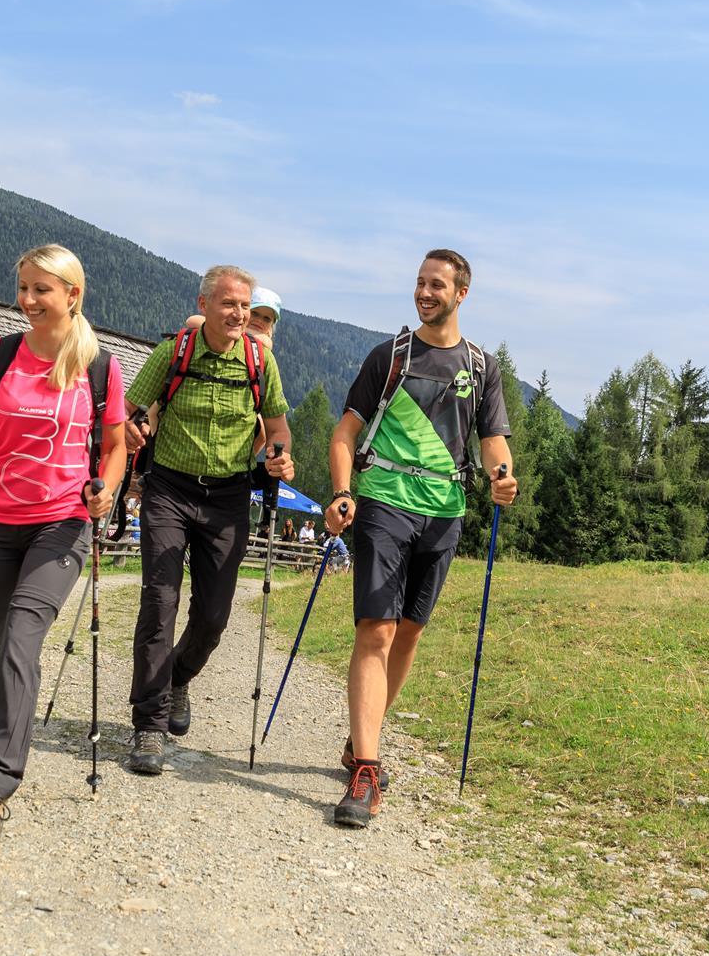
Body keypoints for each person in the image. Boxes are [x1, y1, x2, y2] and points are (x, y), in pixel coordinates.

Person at [0, 245, 125, 851]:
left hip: (61, 523)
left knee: (21, 640)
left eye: (41, 289)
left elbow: (115, 448)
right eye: (23, 287)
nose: (27, 300)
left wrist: (106, 489)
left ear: (72, 294)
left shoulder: (99, 367)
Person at [323, 249, 516, 828]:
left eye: (437, 285)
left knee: (408, 632)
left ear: (461, 294)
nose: (424, 293)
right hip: (385, 501)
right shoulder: (391, 356)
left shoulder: (481, 367)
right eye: (419, 283)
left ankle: (362, 739)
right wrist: (342, 491)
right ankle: (367, 770)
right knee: (376, 629)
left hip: (445, 511)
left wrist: (502, 475)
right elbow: (344, 433)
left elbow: (493, 439)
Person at [121, 265, 292, 775]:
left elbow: (279, 428)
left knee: (213, 616)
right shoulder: (173, 352)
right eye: (229, 304)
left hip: (228, 497)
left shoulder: (260, 361)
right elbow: (129, 410)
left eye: (245, 305)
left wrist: (280, 456)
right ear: (204, 304)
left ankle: (177, 677)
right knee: (159, 601)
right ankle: (149, 724)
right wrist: (131, 429)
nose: (239, 314)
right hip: (170, 490)